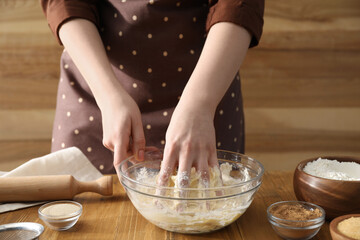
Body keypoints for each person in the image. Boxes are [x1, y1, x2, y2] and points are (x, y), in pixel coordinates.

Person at [40, 0, 264, 187]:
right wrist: (108, 97)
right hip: (95, 91)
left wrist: (200, 103)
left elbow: (238, 5)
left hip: (208, 88)